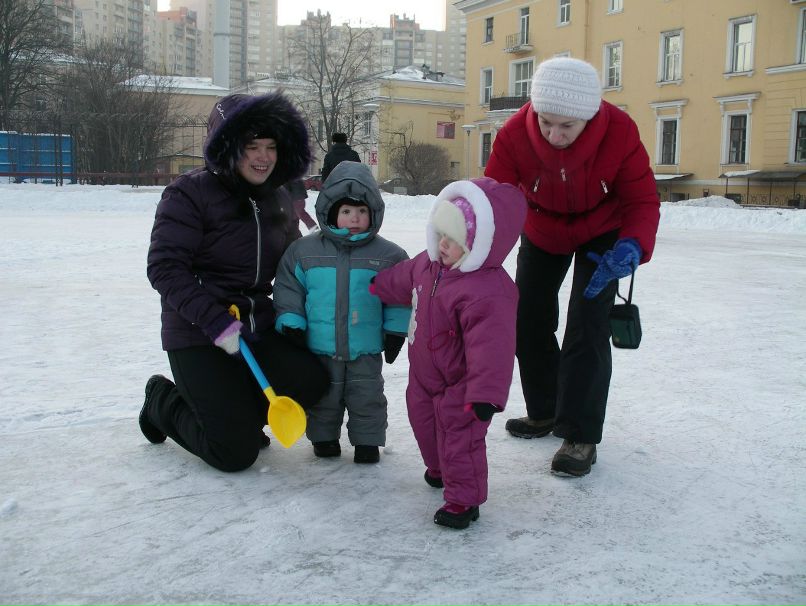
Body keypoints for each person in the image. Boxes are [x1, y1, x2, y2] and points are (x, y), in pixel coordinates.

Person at [484, 56, 660, 477]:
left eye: (567, 125)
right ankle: (546, 409)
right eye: (546, 122)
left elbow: (641, 199)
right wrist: (476, 250)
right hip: (541, 227)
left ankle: (580, 433)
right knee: (527, 318)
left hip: (601, 233)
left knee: (587, 324)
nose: (554, 134)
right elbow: (494, 199)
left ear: (590, 115)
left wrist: (632, 244)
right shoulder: (513, 135)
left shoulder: (620, 131)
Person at [140, 92, 330, 472]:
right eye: (251, 146)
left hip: (256, 324)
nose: (263, 157)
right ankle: (161, 400)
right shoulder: (189, 193)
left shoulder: (276, 197)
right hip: (198, 331)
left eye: (271, 147)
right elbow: (164, 268)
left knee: (311, 380)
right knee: (234, 452)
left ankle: (237, 415)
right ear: (228, 146)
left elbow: (294, 262)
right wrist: (214, 321)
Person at [370, 178, 527, 529]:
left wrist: (485, 394)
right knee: (424, 427)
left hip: (463, 385)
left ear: (478, 244)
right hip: (424, 376)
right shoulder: (427, 265)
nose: (442, 244)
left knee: (461, 441)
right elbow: (401, 279)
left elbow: (493, 349)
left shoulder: (489, 291)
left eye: (453, 239)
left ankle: (463, 501)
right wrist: (377, 286)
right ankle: (439, 468)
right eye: (440, 233)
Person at [272, 161, 409, 464]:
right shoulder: (304, 252)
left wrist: (395, 330)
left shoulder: (389, 256)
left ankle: (367, 442)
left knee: (367, 397)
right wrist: (291, 321)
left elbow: (400, 297)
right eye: (346, 211)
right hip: (320, 347)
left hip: (365, 348)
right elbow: (288, 288)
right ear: (330, 212)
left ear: (373, 213)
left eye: (361, 211)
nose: (354, 218)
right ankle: (324, 439)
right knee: (324, 397)